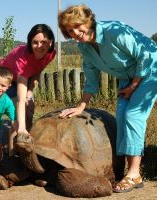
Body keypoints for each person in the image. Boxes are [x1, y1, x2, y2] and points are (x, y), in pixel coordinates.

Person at [58, 4, 157, 193]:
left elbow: (145, 55)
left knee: (133, 116)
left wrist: (133, 86)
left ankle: (134, 173)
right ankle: (128, 171)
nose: (76, 32)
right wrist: (81, 106)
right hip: (127, 77)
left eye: (78, 26)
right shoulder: (85, 47)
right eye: (70, 30)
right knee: (121, 117)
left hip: (151, 68)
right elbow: (91, 77)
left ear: (88, 21)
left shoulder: (114, 31)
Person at [0, 24, 56, 156]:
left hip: (26, 77)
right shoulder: (23, 59)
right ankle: (12, 157)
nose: (39, 46)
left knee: (28, 113)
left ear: (51, 42)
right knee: (18, 120)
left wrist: (30, 92)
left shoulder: (51, 53)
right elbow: (20, 99)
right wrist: (21, 128)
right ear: (30, 42)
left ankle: (23, 151)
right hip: (6, 79)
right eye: (35, 42)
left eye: (43, 42)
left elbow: (38, 69)